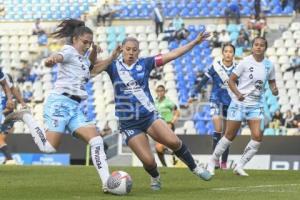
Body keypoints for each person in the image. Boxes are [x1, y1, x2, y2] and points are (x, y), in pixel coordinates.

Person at [4, 19, 120, 193]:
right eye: (84, 42)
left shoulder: (82, 61)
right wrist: (52, 59)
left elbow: (93, 68)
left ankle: (107, 183)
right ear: (74, 39)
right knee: (48, 148)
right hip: (59, 102)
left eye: (90, 43)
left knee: (96, 141)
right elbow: (59, 57)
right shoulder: (69, 51)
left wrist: (110, 57)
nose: (87, 46)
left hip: (74, 107)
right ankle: (26, 116)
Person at [90, 32, 213, 191]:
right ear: (122, 49)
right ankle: (155, 177)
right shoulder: (112, 65)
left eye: (134, 50)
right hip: (129, 123)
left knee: (174, 142)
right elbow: (91, 69)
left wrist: (195, 42)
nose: (131, 53)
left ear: (139, 51)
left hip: (149, 116)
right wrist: (98, 53)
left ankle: (195, 167)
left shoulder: (146, 63)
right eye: (128, 49)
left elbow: (173, 54)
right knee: (148, 161)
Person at [207, 37, 278, 176]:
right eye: (256, 45)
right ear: (252, 47)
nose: (258, 47)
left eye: (261, 45)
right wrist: (237, 94)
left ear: (265, 48)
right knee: (229, 136)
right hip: (239, 103)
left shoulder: (269, 65)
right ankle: (212, 161)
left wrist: (274, 89)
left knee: (257, 136)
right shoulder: (245, 62)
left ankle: (239, 166)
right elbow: (231, 81)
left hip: (255, 105)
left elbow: (272, 82)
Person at [190, 44, 237, 169]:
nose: (228, 54)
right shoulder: (216, 67)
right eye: (226, 51)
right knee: (218, 129)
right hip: (215, 100)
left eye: (230, 51)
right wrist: (194, 93)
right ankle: (215, 159)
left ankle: (224, 162)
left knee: (228, 134)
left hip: (230, 102)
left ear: (234, 54)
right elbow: (203, 81)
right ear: (222, 53)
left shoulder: (238, 68)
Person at [0, 73, 26, 165]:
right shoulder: (5, 92)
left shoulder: (7, 97)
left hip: (7, 115)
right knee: (1, 139)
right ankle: (8, 159)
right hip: (8, 115)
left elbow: (10, 107)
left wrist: (22, 102)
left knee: (0, 139)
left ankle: (9, 159)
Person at [154, 85, 180, 167]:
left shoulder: (168, 102)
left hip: (168, 125)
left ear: (164, 92)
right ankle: (166, 163)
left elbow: (177, 112)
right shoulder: (155, 102)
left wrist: (172, 122)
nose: (160, 92)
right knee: (158, 147)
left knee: (161, 146)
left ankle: (173, 155)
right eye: (158, 91)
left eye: (161, 90)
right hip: (158, 126)